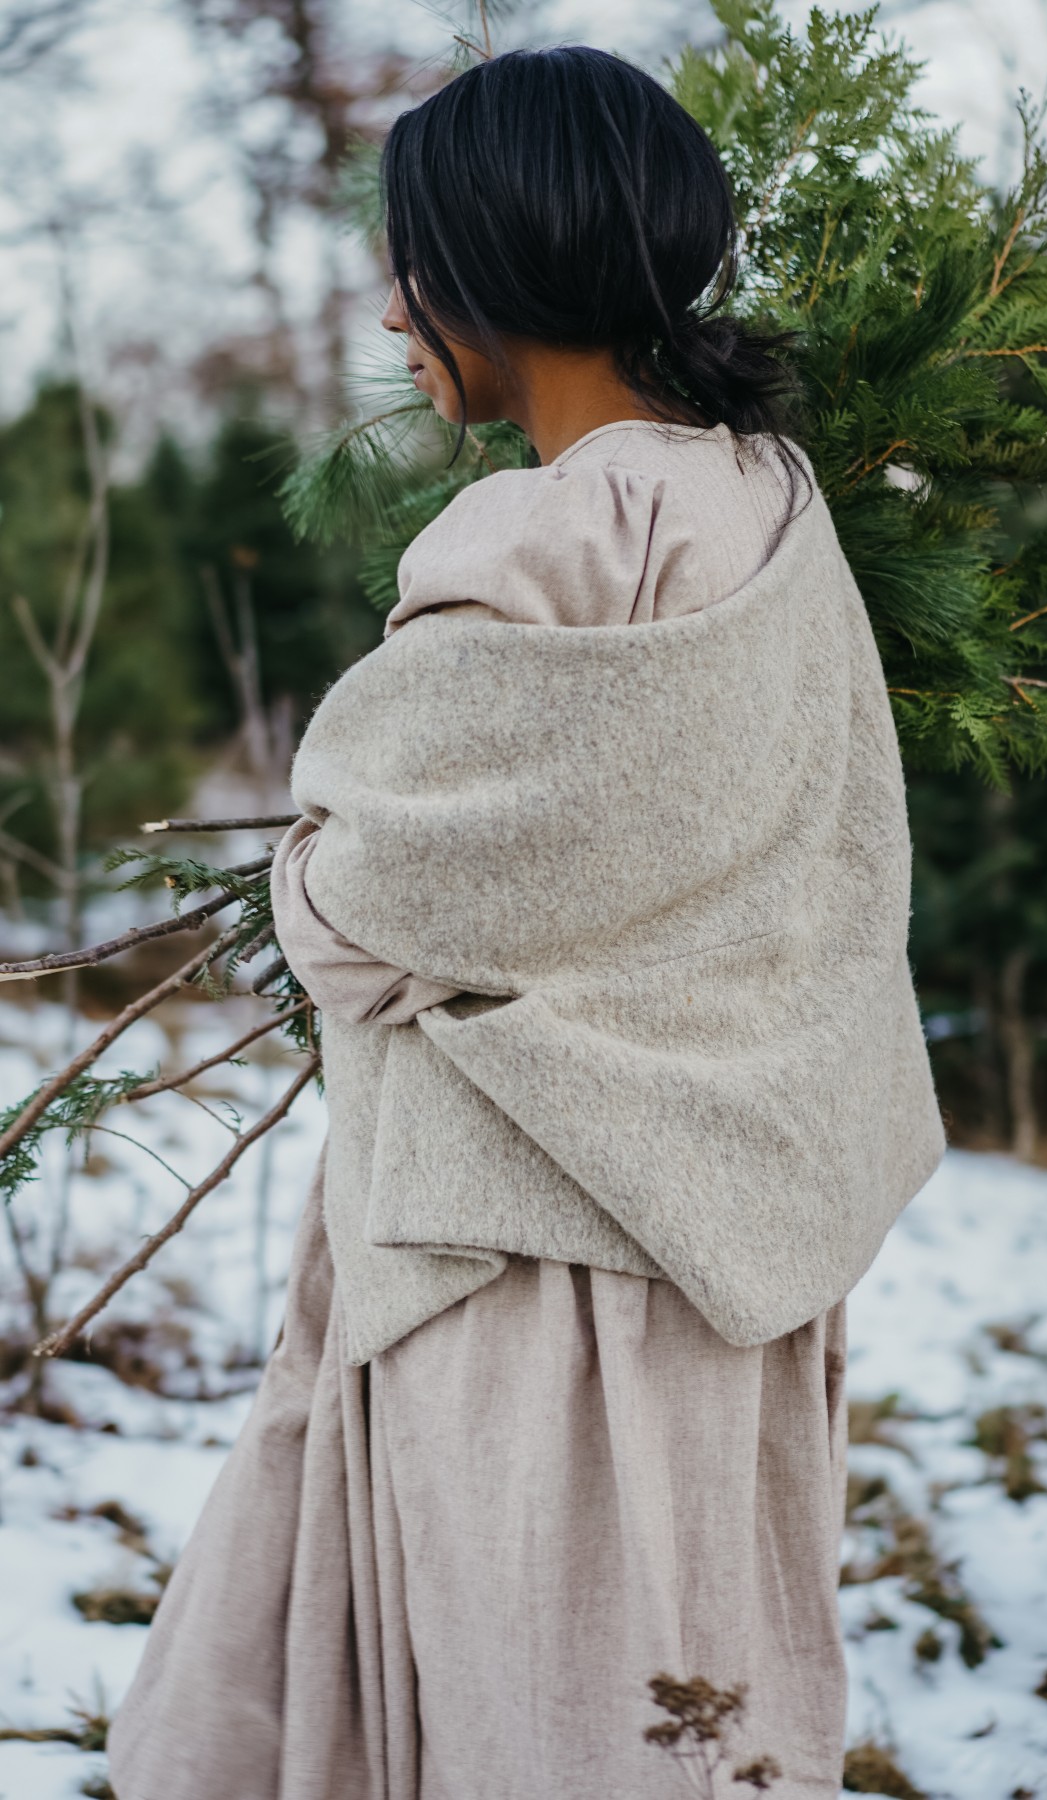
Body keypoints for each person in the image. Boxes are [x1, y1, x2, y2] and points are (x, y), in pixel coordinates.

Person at [106, 45, 944, 1800]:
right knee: (682, 1688)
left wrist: (311, 872)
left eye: (412, 264)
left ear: (491, 263)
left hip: (527, 1253)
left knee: (525, 1692)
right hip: (727, 1230)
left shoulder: (549, 532)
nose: (397, 308)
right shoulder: (776, 510)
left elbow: (365, 887)